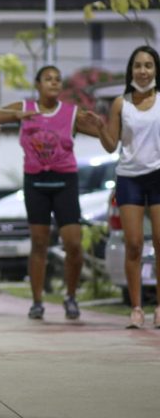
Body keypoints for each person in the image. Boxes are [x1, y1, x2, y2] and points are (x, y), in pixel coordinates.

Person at [0, 65, 102, 322]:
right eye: (48, 79)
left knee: (73, 244)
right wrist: (15, 114)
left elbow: (104, 134)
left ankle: (71, 296)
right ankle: (37, 301)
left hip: (65, 181)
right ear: (37, 85)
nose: (53, 83)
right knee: (39, 243)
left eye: (57, 80)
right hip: (36, 182)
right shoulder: (26, 108)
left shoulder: (70, 112)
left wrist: (104, 123)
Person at [86, 46, 160, 328]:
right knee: (134, 245)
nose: (143, 71)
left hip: (158, 176)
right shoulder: (121, 103)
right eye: (138, 65)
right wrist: (100, 126)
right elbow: (110, 145)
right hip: (129, 177)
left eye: (149, 65)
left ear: (156, 70)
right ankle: (137, 307)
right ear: (131, 70)